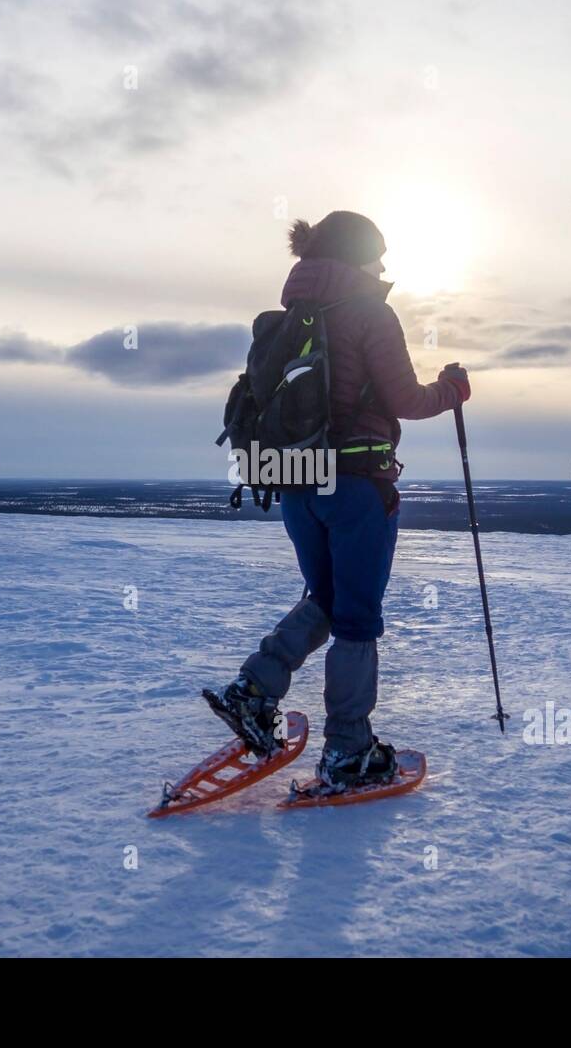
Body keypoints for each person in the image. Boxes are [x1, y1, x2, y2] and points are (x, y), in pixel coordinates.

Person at [204, 210, 470, 789]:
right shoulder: (370, 311)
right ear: (356, 257)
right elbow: (405, 398)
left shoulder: (290, 317)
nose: (382, 266)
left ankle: (252, 691)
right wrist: (453, 389)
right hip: (355, 485)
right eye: (376, 255)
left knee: (324, 598)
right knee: (355, 618)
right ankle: (349, 749)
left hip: (297, 483)